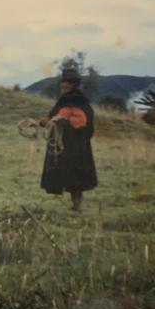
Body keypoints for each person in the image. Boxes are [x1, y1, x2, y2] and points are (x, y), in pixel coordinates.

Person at [39, 68, 97, 211]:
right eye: (63, 82)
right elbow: (54, 117)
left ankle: (77, 206)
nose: (62, 85)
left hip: (75, 145)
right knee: (69, 174)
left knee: (76, 175)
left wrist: (64, 120)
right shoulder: (64, 100)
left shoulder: (78, 101)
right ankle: (75, 206)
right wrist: (45, 121)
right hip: (63, 144)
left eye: (65, 82)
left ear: (72, 84)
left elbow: (82, 122)